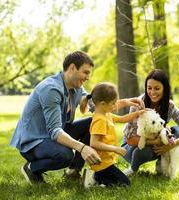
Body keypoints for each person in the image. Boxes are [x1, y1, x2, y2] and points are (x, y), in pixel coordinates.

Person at [10, 51, 144, 184]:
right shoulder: (51, 90)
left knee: (94, 122)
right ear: (72, 68)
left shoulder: (76, 88)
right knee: (65, 155)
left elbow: (99, 108)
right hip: (34, 141)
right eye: (85, 72)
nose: (88, 77)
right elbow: (54, 131)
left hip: (53, 133)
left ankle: (73, 171)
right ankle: (31, 168)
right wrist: (82, 148)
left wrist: (126, 102)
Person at [121, 69, 179, 176]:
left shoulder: (169, 106)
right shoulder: (138, 104)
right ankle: (132, 169)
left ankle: (161, 163)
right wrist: (156, 142)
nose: (152, 92)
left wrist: (171, 145)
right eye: (149, 88)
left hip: (154, 141)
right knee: (142, 151)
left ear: (164, 89)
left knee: (178, 131)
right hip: (131, 148)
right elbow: (130, 140)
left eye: (157, 88)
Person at [80, 82, 145, 187]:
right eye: (113, 103)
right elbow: (94, 143)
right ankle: (95, 179)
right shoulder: (99, 120)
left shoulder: (106, 114)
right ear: (102, 104)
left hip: (107, 163)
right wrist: (116, 149)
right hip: (101, 164)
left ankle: (97, 178)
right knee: (125, 184)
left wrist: (138, 113)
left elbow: (122, 119)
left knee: (123, 182)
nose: (116, 106)